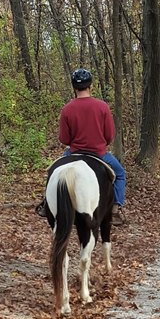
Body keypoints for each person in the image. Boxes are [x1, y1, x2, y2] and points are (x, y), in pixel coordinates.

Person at [37, 68, 127, 223]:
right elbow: (109, 136)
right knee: (119, 174)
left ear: (74, 87)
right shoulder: (102, 107)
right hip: (99, 154)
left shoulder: (67, 109)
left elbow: (64, 139)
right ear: (90, 86)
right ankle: (115, 209)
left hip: (73, 153)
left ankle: (47, 203)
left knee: (53, 171)